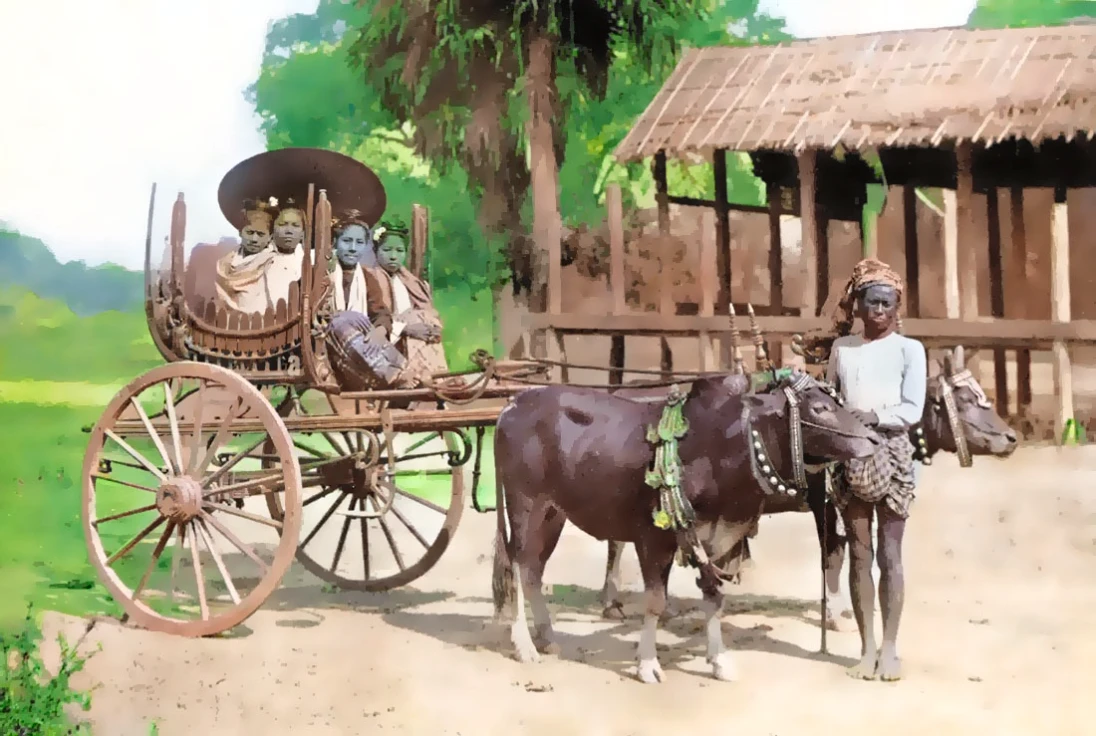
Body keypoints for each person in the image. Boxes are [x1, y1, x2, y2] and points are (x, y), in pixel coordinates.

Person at [824, 258, 926, 683]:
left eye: (887, 303)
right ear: (858, 306)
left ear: (897, 306)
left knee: (891, 554)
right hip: (851, 455)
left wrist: (874, 416)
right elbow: (830, 397)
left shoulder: (909, 350)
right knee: (860, 554)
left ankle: (890, 649)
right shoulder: (842, 350)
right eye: (872, 302)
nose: (879, 311)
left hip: (895, 454)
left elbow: (912, 408)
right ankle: (865, 649)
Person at [364, 222, 452, 388]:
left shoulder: (409, 282)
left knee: (422, 316)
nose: (393, 256)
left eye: (399, 251)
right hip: (385, 340)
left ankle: (435, 376)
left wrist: (430, 326)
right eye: (387, 250)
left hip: (414, 340)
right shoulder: (370, 278)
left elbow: (425, 310)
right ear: (376, 251)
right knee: (412, 317)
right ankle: (424, 379)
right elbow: (370, 318)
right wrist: (407, 328)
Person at [214, 198, 279, 315]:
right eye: (250, 232)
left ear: (270, 237)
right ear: (240, 232)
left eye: (260, 234)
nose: (254, 239)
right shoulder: (224, 263)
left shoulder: (274, 263)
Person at [331, 209, 373, 313]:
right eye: (346, 241)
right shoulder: (321, 272)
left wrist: (379, 329)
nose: (353, 248)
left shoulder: (368, 277)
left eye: (359, 242)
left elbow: (381, 315)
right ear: (335, 242)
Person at [268, 197, 306, 289]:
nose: (289, 231)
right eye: (282, 224)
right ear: (272, 229)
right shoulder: (260, 259)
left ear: (302, 233)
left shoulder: (310, 260)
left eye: (295, 225)